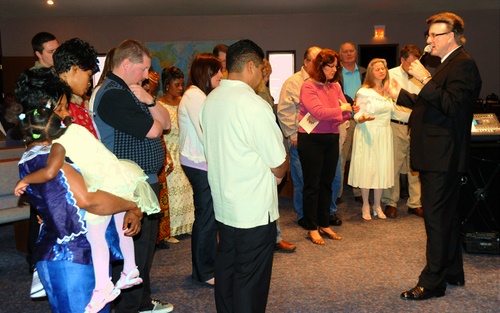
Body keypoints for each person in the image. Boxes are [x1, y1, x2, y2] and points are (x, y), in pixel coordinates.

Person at [14, 72, 142, 313]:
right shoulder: (57, 146)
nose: (67, 114)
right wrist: (131, 205)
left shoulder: (37, 148)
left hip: (74, 251)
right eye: (61, 108)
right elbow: (89, 200)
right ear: (43, 110)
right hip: (71, 256)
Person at [385, 12, 482, 300]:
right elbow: (431, 105)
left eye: (434, 35)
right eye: (428, 35)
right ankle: (452, 272)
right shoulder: (447, 64)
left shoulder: (464, 64)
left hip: (443, 156)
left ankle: (432, 282)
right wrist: (400, 94)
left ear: (450, 35)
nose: (428, 40)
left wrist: (424, 78)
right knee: (447, 218)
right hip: (437, 155)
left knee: (436, 221)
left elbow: (452, 106)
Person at [200, 39, 287, 313]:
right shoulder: (254, 105)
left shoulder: (211, 99)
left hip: (225, 206)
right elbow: (278, 163)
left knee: (227, 271)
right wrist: (280, 171)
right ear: (250, 66)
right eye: (261, 69)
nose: (263, 75)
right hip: (253, 209)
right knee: (251, 280)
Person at [93, 39, 174, 313]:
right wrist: (150, 110)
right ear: (126, 64)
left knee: (145, 251)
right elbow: (154, 130)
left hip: (144, 181)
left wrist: (150, 99)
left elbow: (167, 123)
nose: (146, 75)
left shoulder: (131, 91)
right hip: (128, 186)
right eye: (143, 69)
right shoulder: (113, 94)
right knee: (135, 253)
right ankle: (131, 307)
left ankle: (142, 302)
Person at [277, 46, 344, 228]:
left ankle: (326, 215)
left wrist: (338, 113)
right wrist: (292, 134)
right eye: (319, 62)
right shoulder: (295, 83)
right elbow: (285, 111)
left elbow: (341, 113)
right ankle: (305, 217)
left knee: (331, 180)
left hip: (330, 137)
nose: (328, 68)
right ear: (306, 62)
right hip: (305, 138)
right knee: (306, 182)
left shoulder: (332, 84)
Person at [298, 48, 351, 245]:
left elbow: (345, 114)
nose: (334, 70)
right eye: (331, 66)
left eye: (336, 66)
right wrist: (340, 110)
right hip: (311, 139)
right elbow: (319, 112)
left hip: (331, 137)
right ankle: (312, 227)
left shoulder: (335, 86)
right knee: (312, 184)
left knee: (327, 183)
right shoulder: (308, 86)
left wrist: (344, 111)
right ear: (321, 66)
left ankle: (324, 222)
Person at [178, 53, 221, 285]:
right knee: (206, 218)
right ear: (206, 73)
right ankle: (204, 271)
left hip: (201, 163)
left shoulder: (199, 95)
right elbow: (207, 132)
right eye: (217, 71)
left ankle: (207, 267)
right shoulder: (195, 95)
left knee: (208, 217)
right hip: (199, 163)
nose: (221, 76)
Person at [257, 59, 296, 253]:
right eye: (265, 75)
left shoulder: (261, 90)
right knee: (269, 197)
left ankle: (274, 236)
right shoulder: (258, 93)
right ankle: (273, 237)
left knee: (271, 197)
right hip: (266, 149)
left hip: (268, 145)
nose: (267, 79)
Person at [348, 58, 394, 220]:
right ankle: (366, 205)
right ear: (371, 72)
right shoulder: (364, 91)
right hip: (368, 132)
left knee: (381, 168)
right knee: (368, 169)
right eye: (377, 69)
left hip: (384, 133)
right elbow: (357, 114)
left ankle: (377, 205)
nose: (381, 71)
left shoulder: (389, 91)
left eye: (383, 68)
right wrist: (362, 118)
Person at [382, 45, 424, 218]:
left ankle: (415, 203)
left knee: (415, 166)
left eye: (417, 62)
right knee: (394, 165)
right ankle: (390, 202)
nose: (415, 66)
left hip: (416, 126)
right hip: (396, 124)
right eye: (411, 62)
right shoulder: (390, 74)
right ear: (402, 60)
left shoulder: (421, 76)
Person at [157, 66, 195, 242]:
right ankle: (170, 230)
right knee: (172, 191)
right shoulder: (159, 105)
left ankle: (187, 226)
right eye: (176, 84)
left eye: (182, 84)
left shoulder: (184, 103)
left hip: (185, 149)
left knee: (188, 189)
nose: (180, 88)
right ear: (166, 85)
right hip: (169, 151)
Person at [53, 38, 99, 138]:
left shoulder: (78, 103)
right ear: (75, 69)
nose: (89, 83)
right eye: (88, 75)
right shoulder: (57, 106)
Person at [338, 42, 366, 203]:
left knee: (359, 158)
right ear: (340, 55)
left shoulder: (364, 72)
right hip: (344, 120)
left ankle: (358, 192)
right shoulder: (336, 74)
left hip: (362, 121)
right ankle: (338, 193)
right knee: (341, 158)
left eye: (351, 51)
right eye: (345, 52)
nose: (348, 54)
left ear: (355, 53)